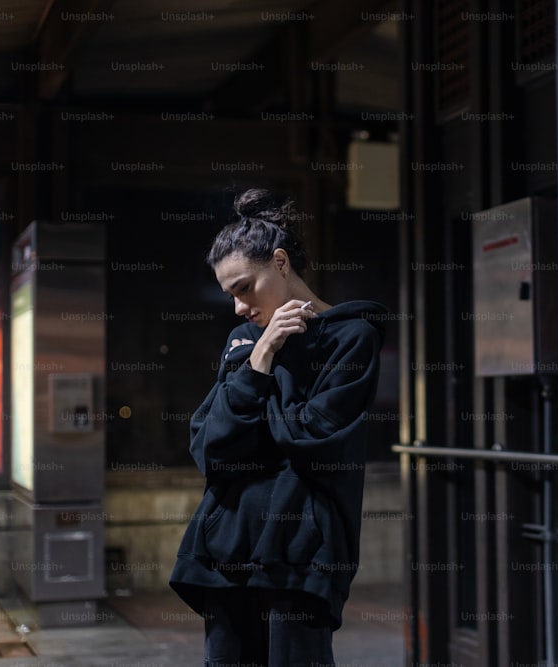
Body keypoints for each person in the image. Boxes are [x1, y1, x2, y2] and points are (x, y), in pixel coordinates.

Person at [169, 189, 387, 666]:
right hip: (226, 551)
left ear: (281, 263)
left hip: (300, 557)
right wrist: (262, 358)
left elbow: (313, 439)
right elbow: (209, 448)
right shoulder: (245, 341)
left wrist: (253, 414)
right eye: (230, 295)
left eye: (244, 288)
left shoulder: (353, 338)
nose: (239, 308)